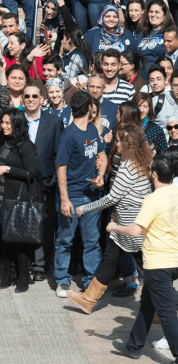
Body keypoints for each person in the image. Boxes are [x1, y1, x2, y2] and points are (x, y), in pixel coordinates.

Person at [69, 123, 153, 313]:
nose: (116, 143)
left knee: (150, 270)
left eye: (119, 140)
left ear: (128, 144)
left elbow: (112, 197)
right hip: (130, 223)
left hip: (132, 226)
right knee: (110, 260)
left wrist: (85, 208)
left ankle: (161, 307)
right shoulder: (138, 163)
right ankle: (88, 300)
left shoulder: (128, 167)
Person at [107, 155, 178, 360]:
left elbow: (135, 230)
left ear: (154, 174)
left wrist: (114, 227)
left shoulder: (153, 198)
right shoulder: (176, 193)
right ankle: (133, 346)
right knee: (147, 305)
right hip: (174, 259)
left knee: (166, 314)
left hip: (159, 263)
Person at [54, 90, 107, 299]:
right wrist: (65, 200)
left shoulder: (93, 129)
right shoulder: (68, 136)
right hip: (73, 196)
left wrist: (101, 174)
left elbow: (101, 155)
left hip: (92, 195)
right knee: (65, 240)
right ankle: (62, 281)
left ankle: (91, 283)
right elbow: (61, 169)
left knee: (92, 241)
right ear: (88, 108)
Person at [0, 109, 40, 292]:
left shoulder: (25, 145)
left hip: (19, 200)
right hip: (4, 198)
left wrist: (7, 170)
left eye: (7, 123)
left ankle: (23, 278)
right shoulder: (5, 141)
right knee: (7, 240)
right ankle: (8, 275)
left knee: (20, 241)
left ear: (17, 124)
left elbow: (31, 173)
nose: (4, 126)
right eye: (3, 122)